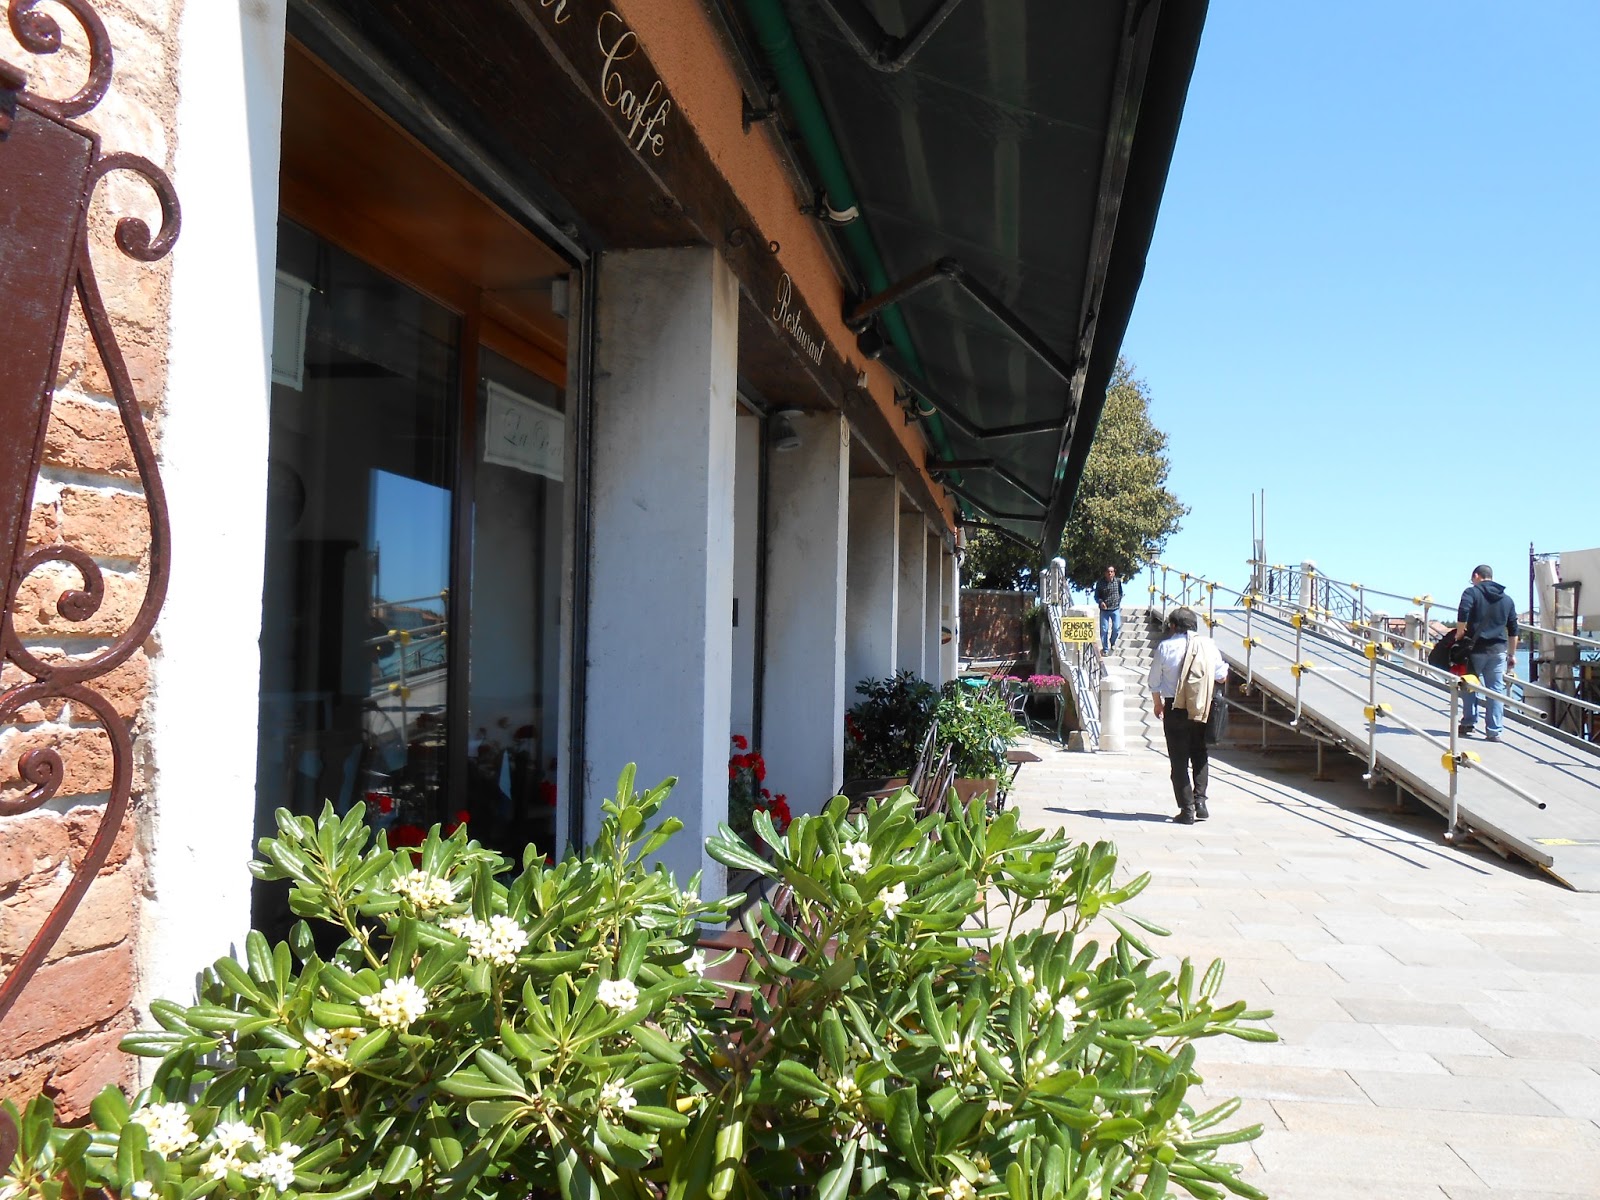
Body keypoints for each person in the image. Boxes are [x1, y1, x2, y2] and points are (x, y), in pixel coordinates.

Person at [1148, 607, 1229, 824]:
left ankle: (1187, 810)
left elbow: (1154, 681)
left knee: (1179, 760)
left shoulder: (1165, 647)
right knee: (1200, 753)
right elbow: (1221, 676)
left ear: (1173, 626)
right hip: (1201, 706)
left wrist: (1157, 704)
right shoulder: (1208, 645)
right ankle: (1200, 801)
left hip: (1174, 707)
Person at [1455, 564, 1518, 742]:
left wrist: (1459, 633)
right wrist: (1512, 654)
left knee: (1469, 685)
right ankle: (1494, 731)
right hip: (1498, 650)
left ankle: (1468, 722)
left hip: (1475, 650)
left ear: (1476, 576)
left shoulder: (1471, 592)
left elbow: (1463, 611)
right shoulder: (1507, 599)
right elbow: (1513, 629)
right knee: (1495, 690)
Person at [1093, 565, 1124, 655]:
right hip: (1104, 610)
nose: (1110, 573)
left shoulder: (1118, 581)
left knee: (1116, 627)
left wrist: (1118, 600)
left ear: (1114, 573)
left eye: (1111, 572)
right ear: (1105, 573)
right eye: (1108, 572)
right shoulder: (1100, 583)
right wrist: (1101, 602)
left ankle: (1112, 641)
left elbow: (1120, 592)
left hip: (1115, 609)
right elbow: (1096, 596)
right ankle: (1105, 649)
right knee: (1104, 630)